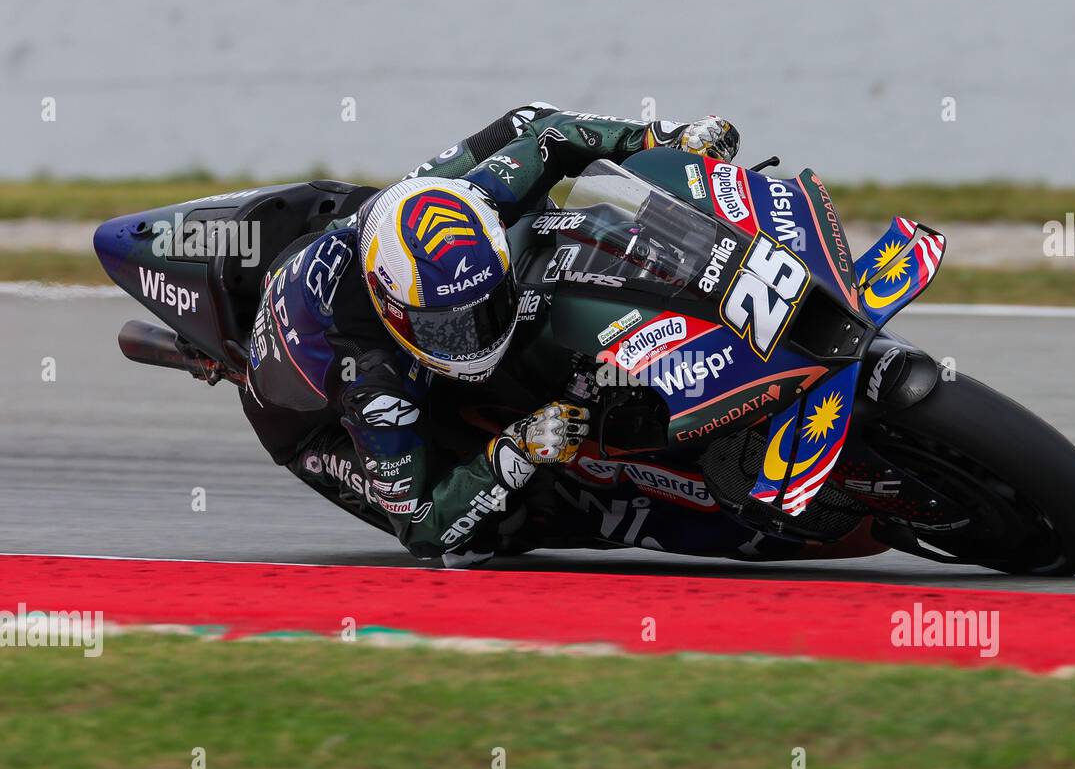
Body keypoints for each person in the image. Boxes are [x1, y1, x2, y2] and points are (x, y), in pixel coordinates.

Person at [240, 102, 740, 562]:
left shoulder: (470, 202)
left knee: (544, 189)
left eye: (485, 308)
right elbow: (421, 528)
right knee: (490, 534)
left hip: (369, 239)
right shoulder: (375, 386)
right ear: (397, 311)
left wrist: (666, 137)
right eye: (452, 327)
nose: (475, 337)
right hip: (311, 421)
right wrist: (517, 450)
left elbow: (549, 130)